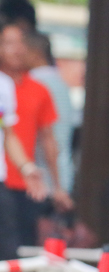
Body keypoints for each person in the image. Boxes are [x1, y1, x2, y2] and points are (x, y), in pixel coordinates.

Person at [1, 22, 69, 247]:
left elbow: (47, 139)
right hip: (6, 179)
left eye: (21, 43)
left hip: (24, 185)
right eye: (9, 43)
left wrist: (56, 185)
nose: (17, 49)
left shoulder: (34, 89)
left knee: (19, 252)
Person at [25, 31, 74, 201]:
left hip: (42, 177)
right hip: (61, 172)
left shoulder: (34, 83)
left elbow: (48, 137)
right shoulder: (61, 82)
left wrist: (56, 184)